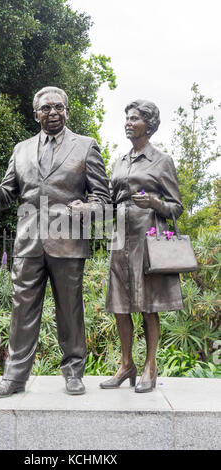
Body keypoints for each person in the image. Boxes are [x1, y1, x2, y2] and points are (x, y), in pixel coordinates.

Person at [0, 86, 111, 397]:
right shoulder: (21, 150)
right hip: (28, 243)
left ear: (67, 111)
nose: (53, 112)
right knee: (22, 311)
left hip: (68, 242)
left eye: (58, 107)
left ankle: (73, 372)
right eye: (46, 108)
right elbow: (5, 198)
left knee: (70, 310)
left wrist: (87, 208)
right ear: (36, 114)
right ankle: (15, 378)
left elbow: (103, 199)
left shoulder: (86, 147)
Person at [100, 99, 183, 393]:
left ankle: (150, 366)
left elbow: (176, 207)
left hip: (147, 238)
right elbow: (109, 201)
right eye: (126, 118)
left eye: (134, 118)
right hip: (120, 237)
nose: (128, 122)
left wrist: (154, 202)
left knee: (148, 306)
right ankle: (126, 364)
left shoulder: (162, 161)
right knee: (120, 306)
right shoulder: (119, 161)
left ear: (149, 124)